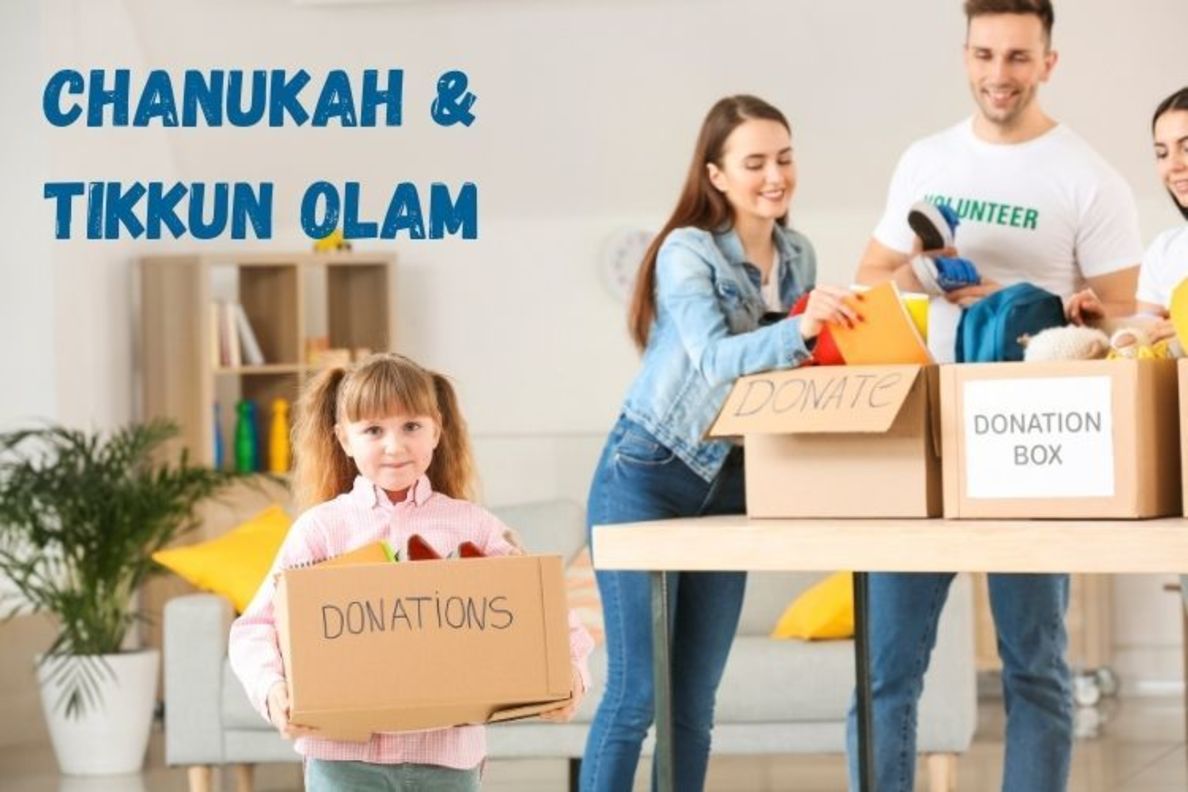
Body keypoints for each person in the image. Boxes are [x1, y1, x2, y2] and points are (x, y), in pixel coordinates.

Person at [848, 2, 1143, 790]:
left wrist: (1024, 302)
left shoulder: (1089, 178)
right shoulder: (926, 160)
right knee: (885, 669)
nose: (998, 75)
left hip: (1030, 443)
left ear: (1049, 62)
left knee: (1035, 666)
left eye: (1018, 58)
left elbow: (1127, 321)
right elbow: (868, 281)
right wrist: (927, 273)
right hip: (926, 429)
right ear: (965, 54)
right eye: (984, 55)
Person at [581, 94, 856, 792]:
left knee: (693, 704)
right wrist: (800, 330)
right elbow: (713, 357)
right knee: (637, 694)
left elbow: (788, 374)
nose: (775, 176)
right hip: (646, 473)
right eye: (755, 162)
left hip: (734, 482)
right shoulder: (686, 251)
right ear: (716, 175)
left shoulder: (799, 253)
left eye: (785, 158)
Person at [228, 352, 594, 792]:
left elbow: (542, 608)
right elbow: (255, 626)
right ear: (344, 438)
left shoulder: (473, 526)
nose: (394, 445)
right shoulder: (321, 530)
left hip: (447, 762)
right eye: (373, 430)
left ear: (437, 430)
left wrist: (570, 674)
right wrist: (272, 689)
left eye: (411, 427)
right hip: (343, 762)